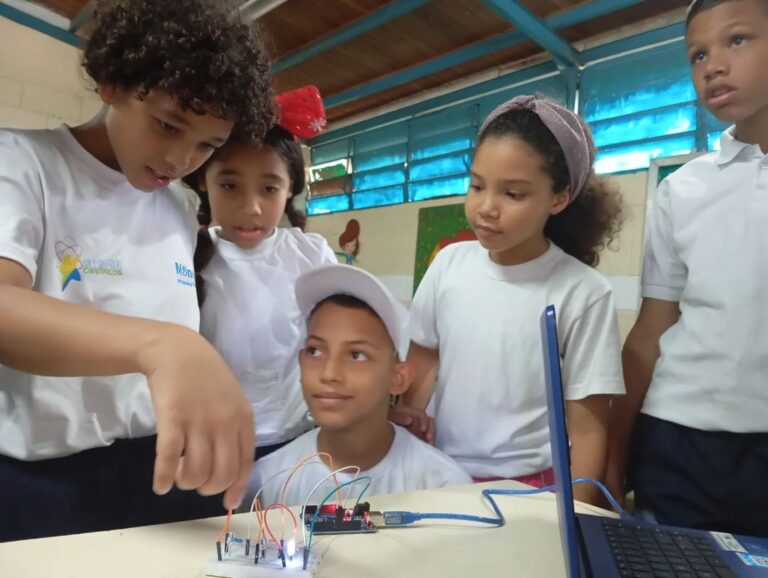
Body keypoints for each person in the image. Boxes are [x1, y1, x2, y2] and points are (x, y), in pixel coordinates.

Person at [0, 0, 273, 540]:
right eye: (168, 125)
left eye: (207, 145)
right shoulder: (23, 163)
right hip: (43, 482)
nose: (180, 159)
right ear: (111, 84)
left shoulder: (176, 206)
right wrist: (165, 346)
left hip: (157, 474)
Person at [403, 95, 626, 505]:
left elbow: (588, 427)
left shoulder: (583, 292)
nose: (486, 208)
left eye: (514, 194)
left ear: (558, 198)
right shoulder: (449, 264)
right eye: (477, 186)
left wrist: (574, 517)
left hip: (532, 490)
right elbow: (422, 363)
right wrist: (403, 430)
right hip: (437, 473)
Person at [607, 0, 768, 537]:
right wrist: (616, 453)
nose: (713, 64)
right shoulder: (684, 189)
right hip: (678, 436)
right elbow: (652, 329)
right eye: (698, 54)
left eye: (737, 41)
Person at [187, 86, 337, 458]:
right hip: (209, 442)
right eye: (230, 186)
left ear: (290, 190)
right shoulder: (186, 253)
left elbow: (341, 334)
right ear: (203, 181)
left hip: (293, 440)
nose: (251, 207)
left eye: (269, 188)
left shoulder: (309, 254)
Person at [249, 264, 471, 507]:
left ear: (398, 378)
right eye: (315, 351)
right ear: (301, 362)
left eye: (356, 355)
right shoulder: (266, 483)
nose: (329, 373)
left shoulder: (444, 487)